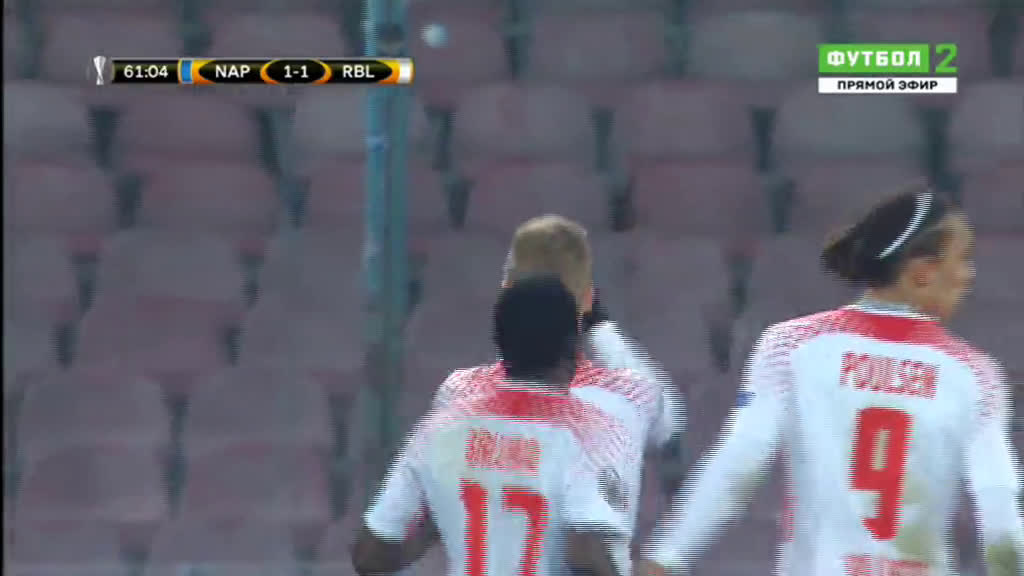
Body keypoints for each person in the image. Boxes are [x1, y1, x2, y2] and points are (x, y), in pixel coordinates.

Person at [638, 187, 1023, 576]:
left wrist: (667, 555)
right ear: (922, 271)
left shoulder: (792, 344)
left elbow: (741, 460)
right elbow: (997, 500)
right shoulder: (973, 372)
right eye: (962, 259)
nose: (969, 275)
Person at [432, 214, 687, 573]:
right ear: (587, 299)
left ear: (506, 293)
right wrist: (600, 324)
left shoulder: (460, 395)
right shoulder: (627, 398)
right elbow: (670, 419)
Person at [353, 276, 635, 576]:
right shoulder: (592, 431)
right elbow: (585, 555)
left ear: (501, 344)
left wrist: (427, 535)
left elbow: (369, 556)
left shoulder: (439, 428)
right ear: (573, 347)